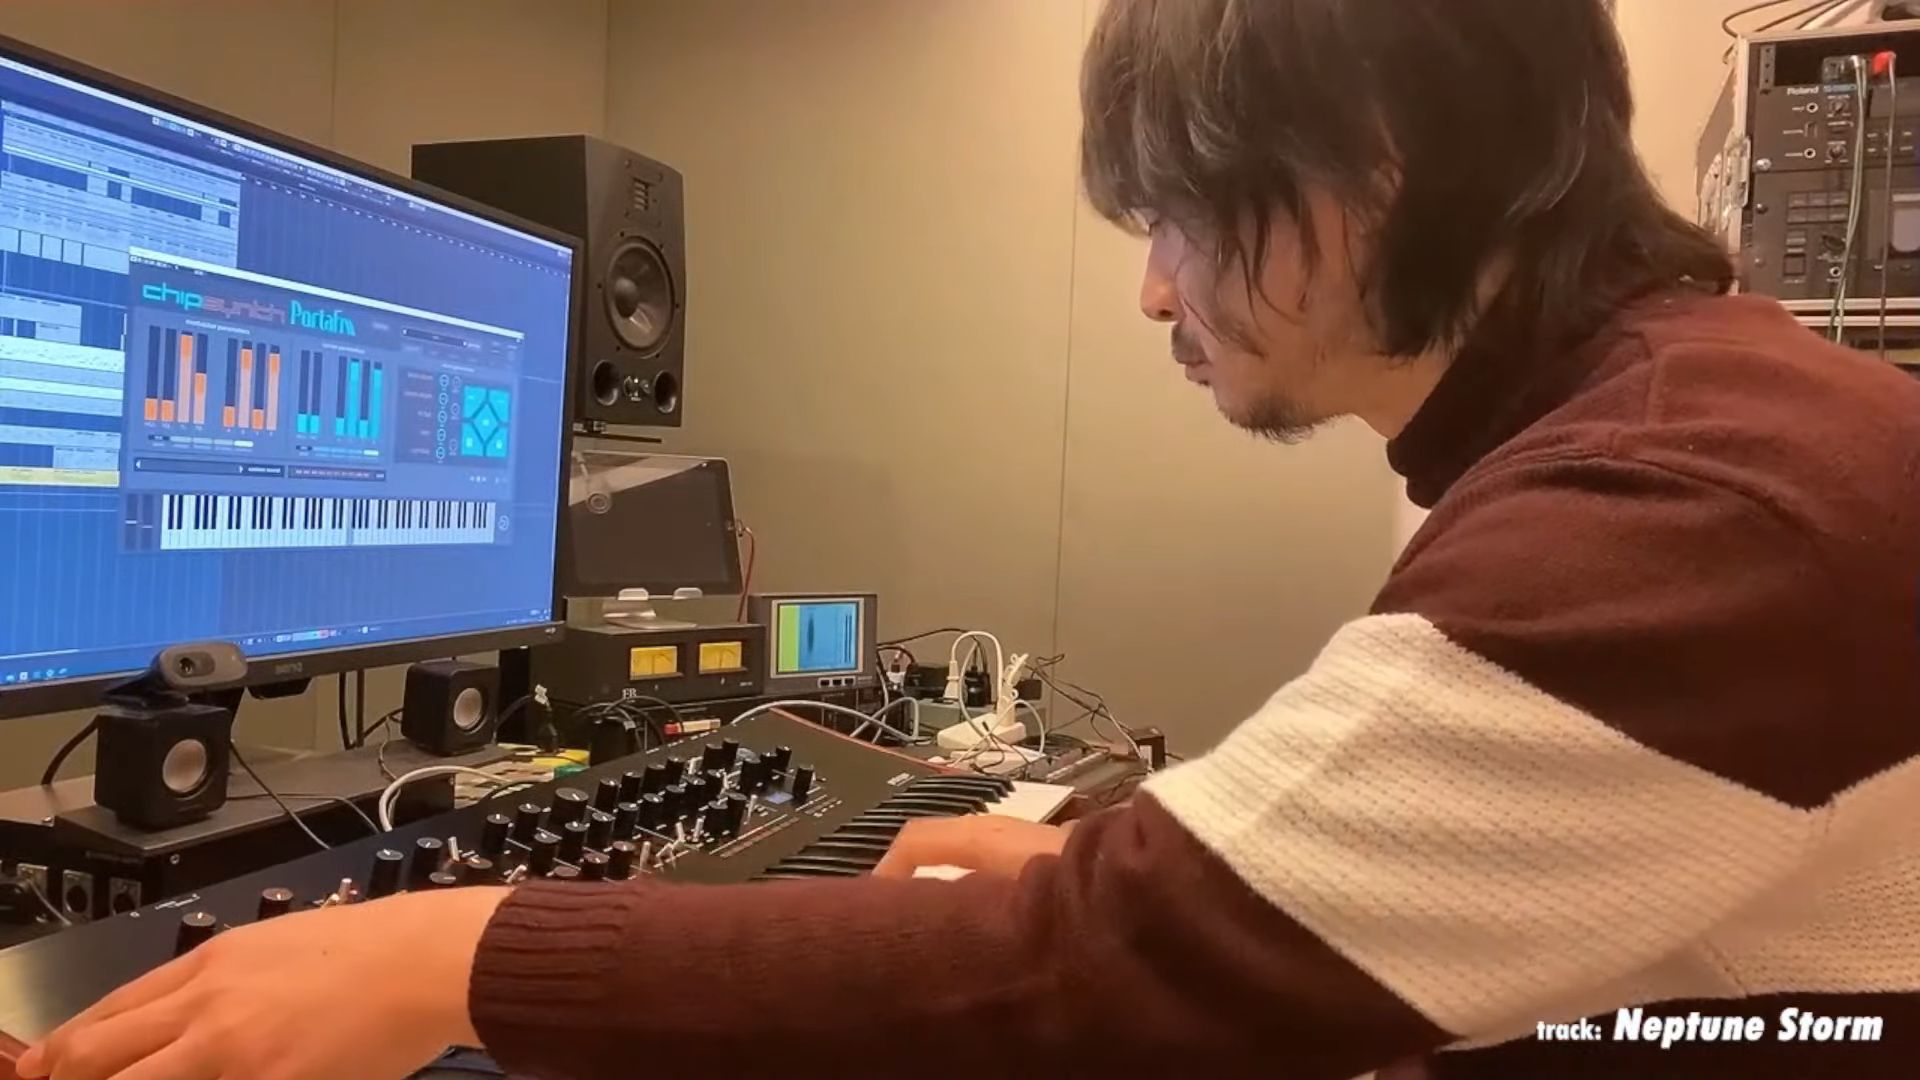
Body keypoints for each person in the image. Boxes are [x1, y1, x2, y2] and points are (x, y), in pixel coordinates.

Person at [20, 0, 1920, 1077]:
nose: (1156, 293)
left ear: (1364, 177)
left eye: (1173, 220)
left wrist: (455, 955)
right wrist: (1107, 862)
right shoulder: (1677, 427)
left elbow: (1117, 981)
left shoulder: (1683, 507)